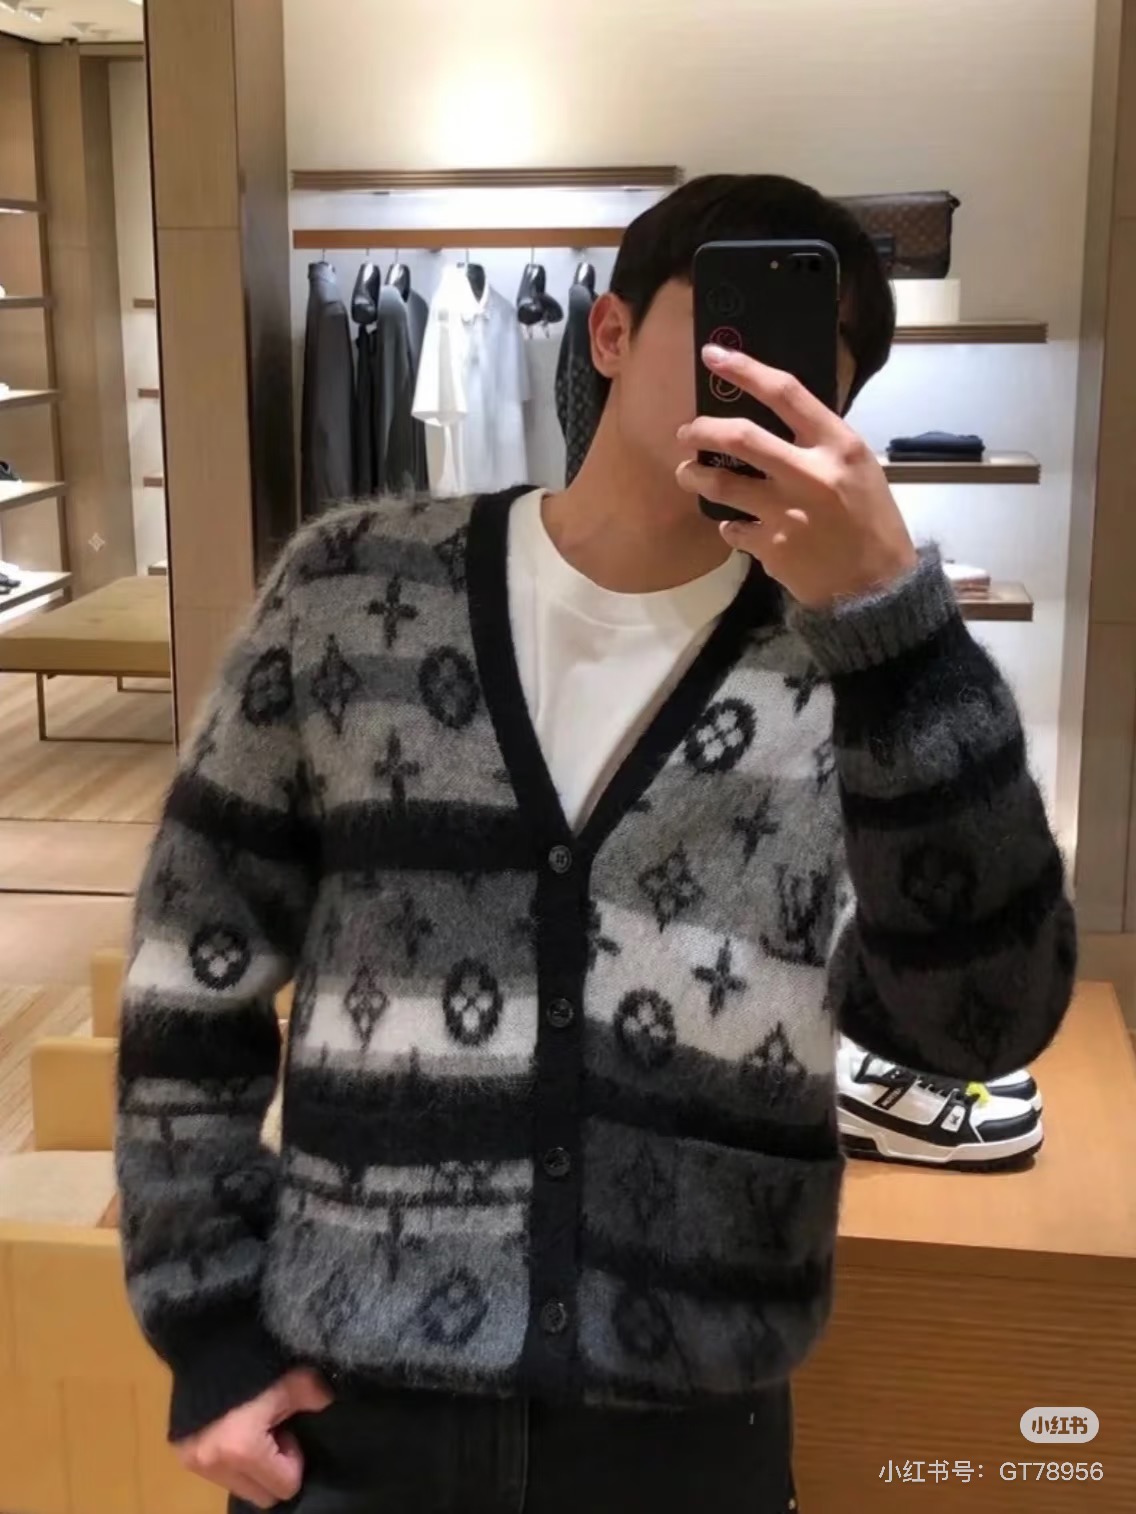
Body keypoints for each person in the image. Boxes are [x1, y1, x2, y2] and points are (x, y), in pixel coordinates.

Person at [115, 174, 1075, 1514]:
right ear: (611, 334)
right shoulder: (351, 590)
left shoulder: (855, 675)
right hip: (354, 1421)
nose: (766, 378)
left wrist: (895, 633)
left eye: (822, 358)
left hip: (691, 1431)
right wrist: (210, 1322)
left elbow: (981, 1025)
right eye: (726, 327)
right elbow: (192, 969)